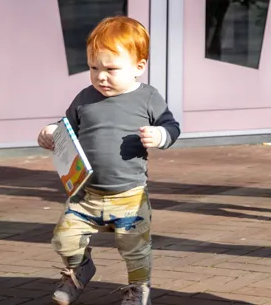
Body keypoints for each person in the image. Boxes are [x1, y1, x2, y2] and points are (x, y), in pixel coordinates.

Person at [36, 16, 180, 305]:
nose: (101, 76)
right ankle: (79, 269)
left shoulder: (148, 97)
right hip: (86, 193)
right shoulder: (85, 98)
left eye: (111, 69)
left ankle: (139, 290)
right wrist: (50, 133)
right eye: (93, 68)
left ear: (139, 67)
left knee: (134, 248)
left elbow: (172, 127)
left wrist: (160, 135)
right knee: (63, 238)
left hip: (129, 195)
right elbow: (67, 128)